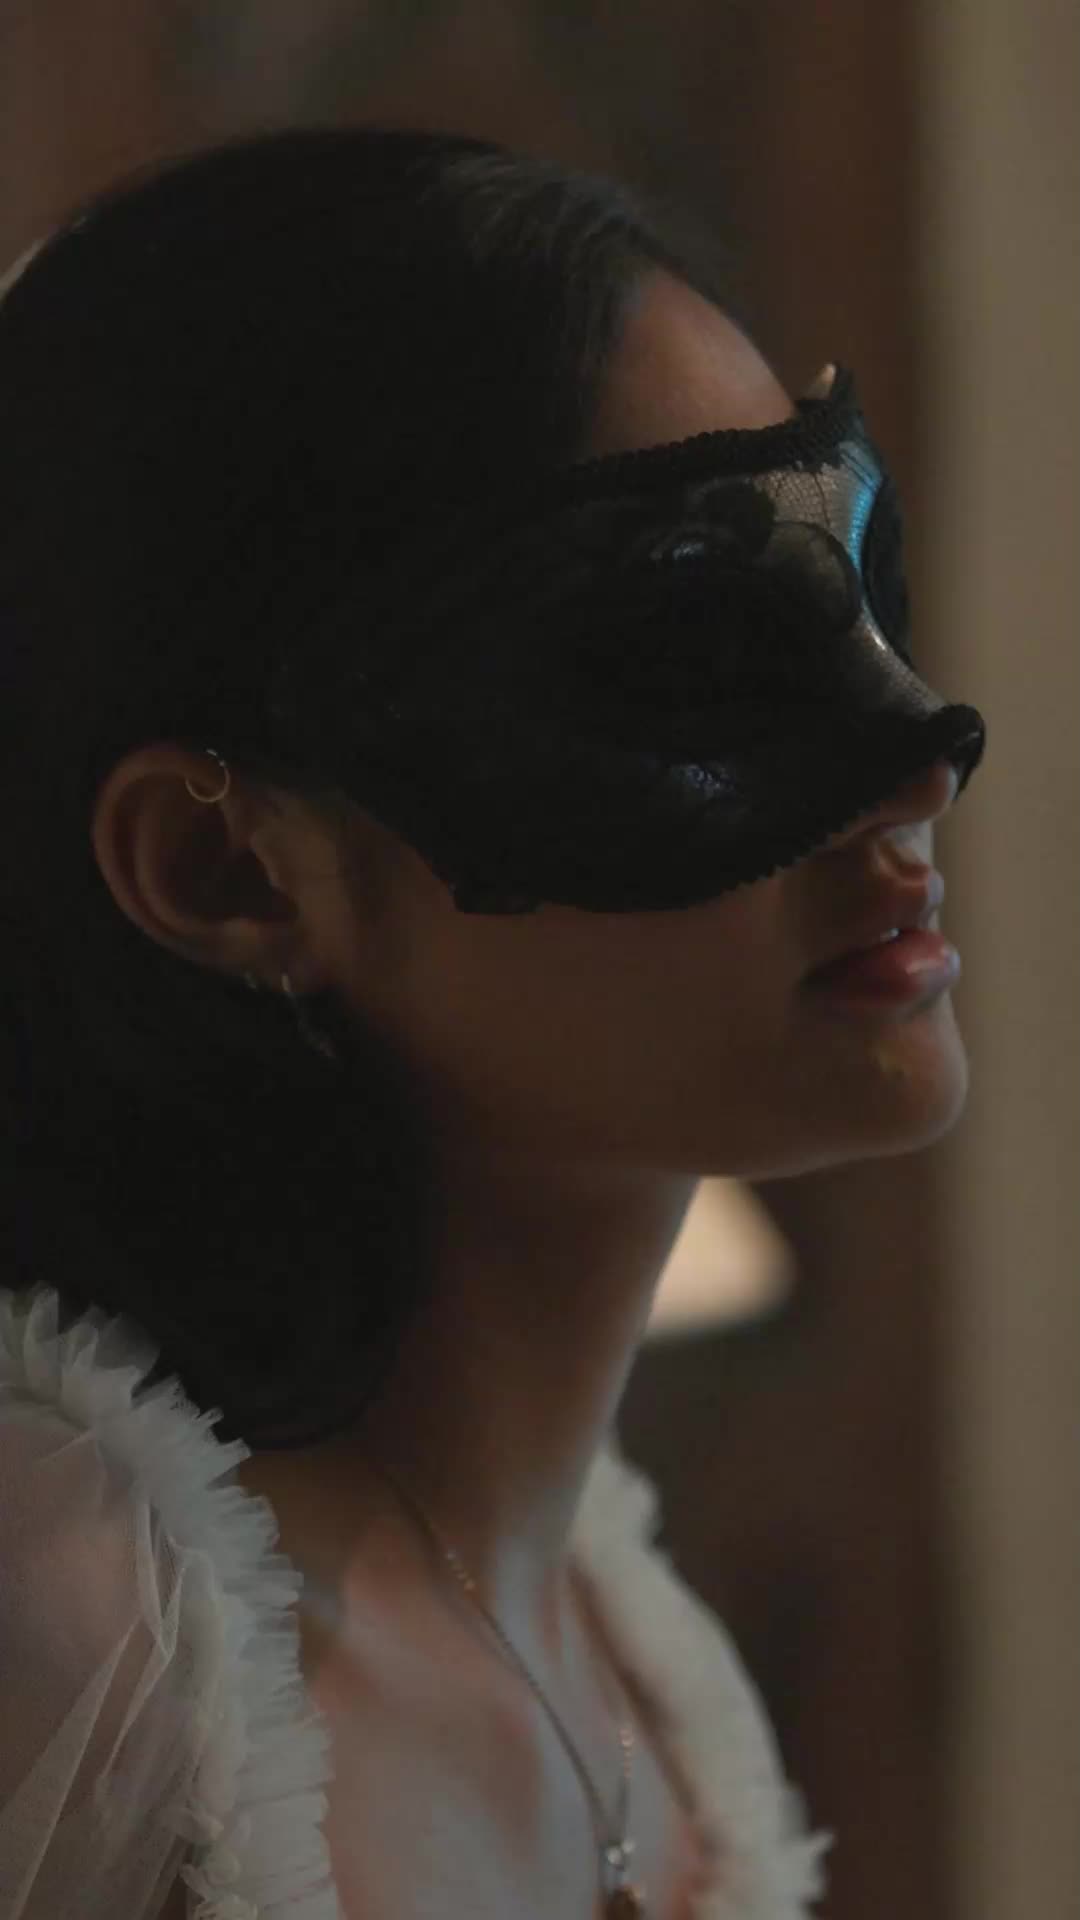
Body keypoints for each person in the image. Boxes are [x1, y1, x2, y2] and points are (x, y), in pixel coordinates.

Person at [0, 127, 985, 1920]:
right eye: (688, 649)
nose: (919, 757)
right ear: (228, 869)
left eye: (861, 589)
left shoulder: (641, 1669)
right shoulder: (75, 1654)